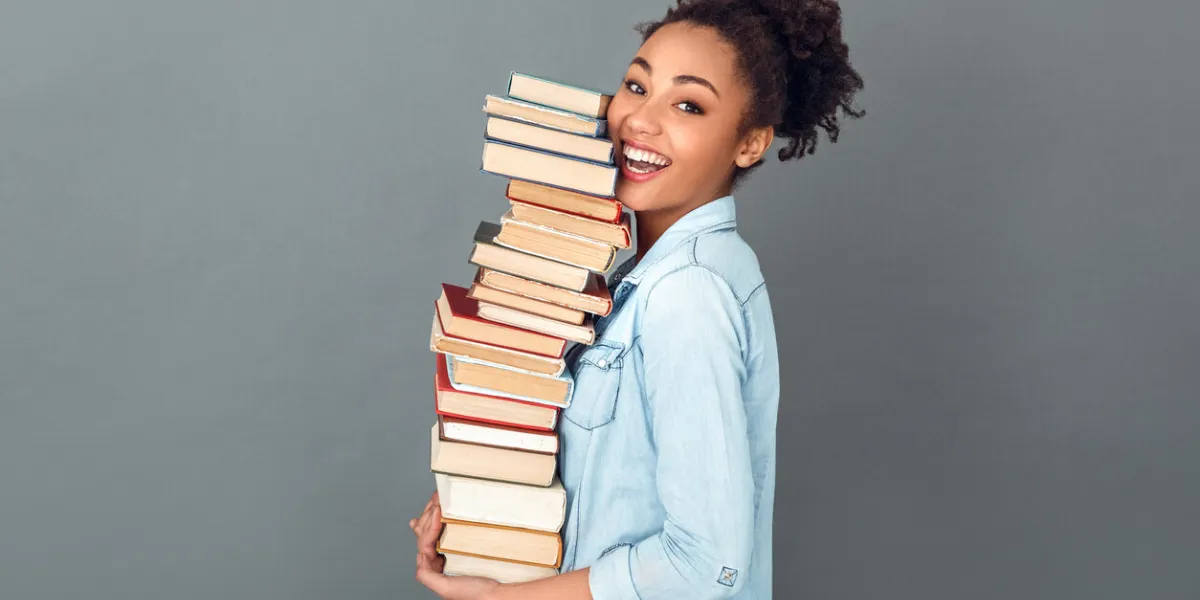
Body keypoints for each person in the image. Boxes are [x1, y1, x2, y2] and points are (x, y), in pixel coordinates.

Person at [410, 0, 864, 597]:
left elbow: (708, 565)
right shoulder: (645, 276)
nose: (639, 121)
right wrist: (483, 509)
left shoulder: (688, 291)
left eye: (688, 105)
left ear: (750, 143)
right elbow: (610, 480)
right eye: (635, 85)